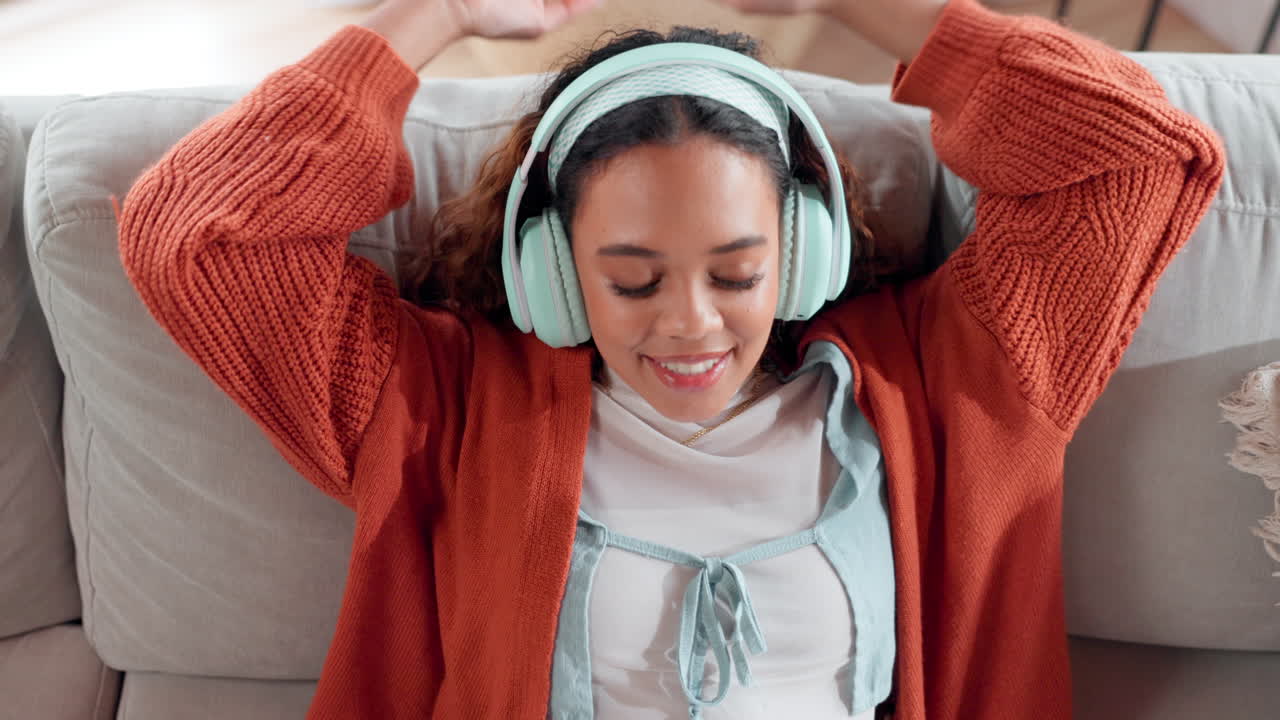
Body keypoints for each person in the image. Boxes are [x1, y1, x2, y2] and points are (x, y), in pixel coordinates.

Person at [114, 0, 1225, 717]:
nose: (691, 326)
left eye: (737, 274)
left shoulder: (956, 382)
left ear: (805, 249)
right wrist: (433, 14)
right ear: (551, 269)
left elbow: (1134, 156)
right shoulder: (442, 410)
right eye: (633, 283)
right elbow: (198, 235)